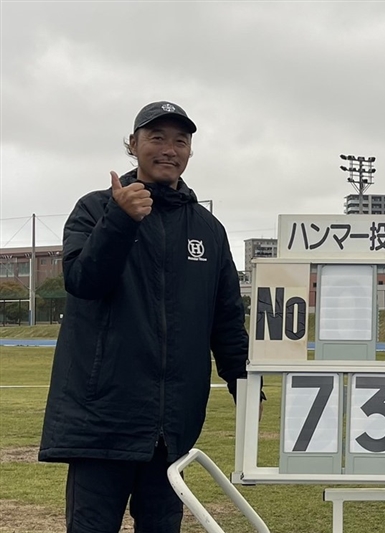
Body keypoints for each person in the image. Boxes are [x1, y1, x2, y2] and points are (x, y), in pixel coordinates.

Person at [39, 101, 251, 533]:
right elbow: (82, 281)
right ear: (133, 145)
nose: (169, 149)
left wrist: (244, 384)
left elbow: (226, 318)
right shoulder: (96, 209)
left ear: (190, 151)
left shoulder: (208, 229)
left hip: (172, 427)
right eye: (156, 138)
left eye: (180, 140)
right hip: (102, 421)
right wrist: (120, 220)